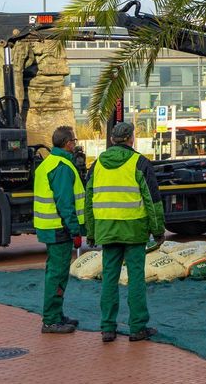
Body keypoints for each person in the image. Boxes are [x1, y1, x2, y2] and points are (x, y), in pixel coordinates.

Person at [85, 121, 165, 343]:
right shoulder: (140, 163)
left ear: (112, 140)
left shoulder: (97, 165)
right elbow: (153, 201)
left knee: (109, 279)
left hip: (107, 230)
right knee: (136, 278)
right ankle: (137, 328)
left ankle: (108, 328)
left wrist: (91, 232)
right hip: (134, 230)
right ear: (131, 138)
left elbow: (88, 202)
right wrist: (158, 230)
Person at [34, 125, 86, 334]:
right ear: (68, 143)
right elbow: (65, 203)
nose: (75, 143)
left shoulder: (49, 163)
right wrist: (75, 231)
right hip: (59, 228)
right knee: (57, 273)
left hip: (50, 226)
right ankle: (52, 319)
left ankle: (56, 314)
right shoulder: (62, 166)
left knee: (54, 272)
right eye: (73, 140)